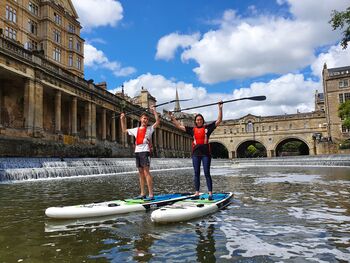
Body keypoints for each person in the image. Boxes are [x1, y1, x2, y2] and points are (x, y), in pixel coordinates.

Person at [169, 101, 223, 200]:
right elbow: (179, 126)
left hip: (206, 154)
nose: (199, 121)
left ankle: (210, 193)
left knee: (207, 173)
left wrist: (220, 108)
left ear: (202, 120)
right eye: (197, 120)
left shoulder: (207, 128)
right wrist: (172, 118)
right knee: (196, 173)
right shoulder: (192, 130)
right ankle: (197, 193)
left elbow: (219, 120)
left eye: (200, 119)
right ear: (195, 121)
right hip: (195, 155)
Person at [120, 105, 160, 200]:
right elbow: (124, 130)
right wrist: (122, 119)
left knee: (146, 172)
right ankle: (142, 193)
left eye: (146, 119)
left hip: (145, 151)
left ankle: (151, 194)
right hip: (137, 151)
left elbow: (158, 121)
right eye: (143, 118)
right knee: (140, 173)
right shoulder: (135, 130)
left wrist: (154, 110)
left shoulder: (150, 129)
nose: (145, 120)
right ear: (140, 119)